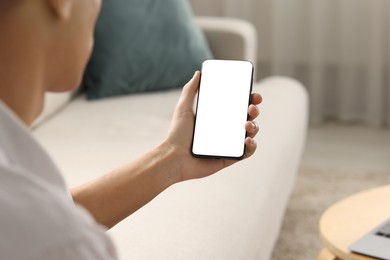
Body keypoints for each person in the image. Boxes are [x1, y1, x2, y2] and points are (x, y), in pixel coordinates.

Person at [0, 0, 262, 259]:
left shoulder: (35, 219)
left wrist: (173, 156)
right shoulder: (61, 246)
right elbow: (50, 229)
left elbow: (52, 216)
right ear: (61, 3)